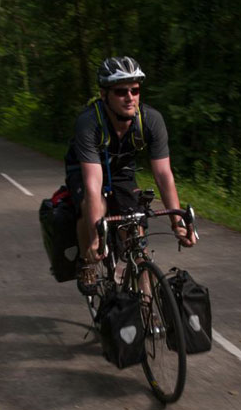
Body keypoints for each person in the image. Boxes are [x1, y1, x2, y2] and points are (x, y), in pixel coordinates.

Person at [64, 56, 194, 295]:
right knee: (94, 207)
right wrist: (95, 237)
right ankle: (87, 262)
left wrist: (177, 223)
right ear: (104, 95)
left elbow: (164, 175)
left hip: (121, 170)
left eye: (135, 90)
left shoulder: (151, 121)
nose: (130, 97)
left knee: (134, 228)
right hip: (85, 169)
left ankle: (145, 304)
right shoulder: (89, 122)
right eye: (121, 91)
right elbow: (93, 184)